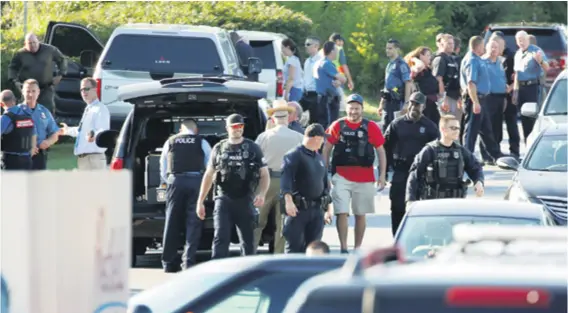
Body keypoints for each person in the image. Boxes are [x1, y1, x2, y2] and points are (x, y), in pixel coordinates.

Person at [196, 114, 270, 259]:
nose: (238, 129)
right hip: (223, 199)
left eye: (240, 126)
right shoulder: (219, 148)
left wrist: (262, 194)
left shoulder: (253, 148)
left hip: (245, 198)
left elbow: (264, 174)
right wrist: (200, 201)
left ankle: (247, 274)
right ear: (227, 128)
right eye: (234, 126)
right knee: (220, 238)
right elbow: (209, 175)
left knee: (248, 241)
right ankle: (218, 271)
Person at [323, 94, 387, 253]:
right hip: (341, 175)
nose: (353, 112)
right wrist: (325, 174)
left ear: (362, 109)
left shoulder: (370, 126)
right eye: (351, 108)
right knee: (341, 212)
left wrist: (382, 175)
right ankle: (343, 247)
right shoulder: (337, 125)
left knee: (360, 214)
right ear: (347, 108)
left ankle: (357, 248)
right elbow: (326, 149)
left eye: (356, 108)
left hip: (365, 177)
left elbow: (381, 151)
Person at [158, 119, 211, 272]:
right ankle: (188, 262)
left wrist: (168, 180)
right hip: (196, 182)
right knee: (193, 222)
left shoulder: (171, 141)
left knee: (172, 220)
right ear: (196, 130)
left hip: (175, 181)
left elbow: (163, 165)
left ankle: (168, 263)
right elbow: (209, 166)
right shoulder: (202, 141)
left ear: (180, 130)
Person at [383, 92, 439, 235]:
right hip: (400, 171)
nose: (415, 107)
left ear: (424, 106)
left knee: (421, 209)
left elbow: (437, 151)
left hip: (421, 173)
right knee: (397, 207)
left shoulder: (430, 127)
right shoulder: (397, 124)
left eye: (418, 104)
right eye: (412, 103)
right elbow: (385, 148)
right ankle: (397, 240)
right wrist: (383, 172)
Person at [254, 101, 304, 254]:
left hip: (266, 182)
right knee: (282, 224)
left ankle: (249, 253)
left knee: (257, 222)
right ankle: (278, 255)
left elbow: (255, 161)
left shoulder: (263, 137)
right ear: (288, 117)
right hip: (288, 183)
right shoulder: (299, 137)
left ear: (273, 119)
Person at [406, 115, 484, 203]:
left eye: (458, 128)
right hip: (433, 203)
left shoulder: (461, 151)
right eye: (453, 128)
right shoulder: (430, 150)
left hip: (456, 203)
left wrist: (479, 182)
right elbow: (414, 176)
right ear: (443, 129)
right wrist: (410, 200)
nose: (457, 131)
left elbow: (476, 167)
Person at [281, 123, 333, 253]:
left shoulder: (318, 157)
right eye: (323, 138)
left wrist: (328, 208)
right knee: (294, 248)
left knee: (314, 248)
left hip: (316, 211)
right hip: (298, 210)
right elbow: (286, 180)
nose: (324, 141)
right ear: (316, 138)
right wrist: (288, 201)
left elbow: (325, 185)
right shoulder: (294, 155)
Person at [460, 36, 502, 162]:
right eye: (483, 45)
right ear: (478, 46)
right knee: (471, 130)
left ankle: (495, 155)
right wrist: (475, 102)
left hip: (482, 99)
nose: (484, 48)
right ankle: (467, 157)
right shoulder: (472, 60)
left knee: (486, 130)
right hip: (475, 99)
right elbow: (471, 83)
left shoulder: (478, 59)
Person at [8, 32, 68, 114]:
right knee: (25, 112)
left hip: (45, 88)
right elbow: (12, 67)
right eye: (30, 43)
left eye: (34, 42)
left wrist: (60, 75)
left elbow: (62, 60)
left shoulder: (50, 50)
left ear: (38, 41)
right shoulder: (20, 54)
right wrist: (15, 81)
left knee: (47, 112)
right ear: (25, 44)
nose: (33, 45)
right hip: (28, 89)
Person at [58, 77, 110, 170]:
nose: (83, 92)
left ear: (95, 89)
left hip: (94, 159)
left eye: (86, 89)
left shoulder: (100, 109)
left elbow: (103, 131)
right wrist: (67, 131)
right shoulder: (89, 108)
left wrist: (94, 136)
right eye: (81, 89)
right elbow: (82, 132)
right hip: (84, 159)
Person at [513, 31, 550, 142]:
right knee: (524, 119)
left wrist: (540, 61)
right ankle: (527, 143)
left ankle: (535, 144)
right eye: (519, 40)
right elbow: (517, 74)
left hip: (532, 88)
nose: (521, 42)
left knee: (533, 118)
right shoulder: (518, 54)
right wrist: (515, 92)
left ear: (528, 40)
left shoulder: (536, 51)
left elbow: (547, 67)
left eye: (523, 39)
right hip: (521, 89)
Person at [17, 79, 59, 170]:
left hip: (39, 157)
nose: (31, 94)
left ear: (38, 92)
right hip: (19, 156)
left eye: (33, 91)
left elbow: (55, 133)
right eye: (28, 91)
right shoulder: (15, 112)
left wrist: (48, 142)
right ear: (22, 92)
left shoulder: (44, 111)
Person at [491, 31, 521, 159]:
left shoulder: (511, 55)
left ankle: (514, 151)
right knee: (495, 124)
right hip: (495, 95)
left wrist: (511, 87)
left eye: (497, 45)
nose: (495, 48)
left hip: (508, 93)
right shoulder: (491, 56)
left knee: (511, 122)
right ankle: (495, 151)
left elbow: (518, 73)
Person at [480, 39, 508, 166]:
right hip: (487, 98)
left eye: (496, 47)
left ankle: (496, 152)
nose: (494, 50)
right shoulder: (482, 62)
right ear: (486, 48)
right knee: (486, 127)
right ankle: (486, 155)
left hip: (500, 97)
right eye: (491, 47)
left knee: (497, 126)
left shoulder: (500, 62)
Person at [377, 39, 412, 130]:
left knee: (395, 128)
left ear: (397, 49)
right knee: (385, 127)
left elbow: (408, 83)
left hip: (397, 101)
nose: (387, 50)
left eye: (390, 48)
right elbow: (387, 85)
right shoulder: (389, 64)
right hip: (387, 101)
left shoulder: (402, 65)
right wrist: (381, 103)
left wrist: (406, 103)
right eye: (387, 48)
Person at [1, 89, 37, 170]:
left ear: (1, 104)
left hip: (10, 160)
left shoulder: (6, 118)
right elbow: (34, 134)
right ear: (14, 100)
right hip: (27, 159)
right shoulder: (28, 115)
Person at [404, 46, 441, 126]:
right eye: (427, 55)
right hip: (422, 102)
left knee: (435, 123)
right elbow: (419, 67)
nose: (430, 57)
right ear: (421, 56)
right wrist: (414, 58)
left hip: (432, 102)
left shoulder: (428, 69)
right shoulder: (416, 67)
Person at [315, 41, 347, 129]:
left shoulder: (321, 62)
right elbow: (343, 78)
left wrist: (339, 82)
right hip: (328, 99)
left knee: (326, 123)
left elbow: (336, 79)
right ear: (332, 51)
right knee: (330, 125)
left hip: (324, 97)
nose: (337, 52)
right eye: (336, 50)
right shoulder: (327, 64)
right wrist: (341, 80)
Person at [432, 34, 462, 125]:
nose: (451, 45)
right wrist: (443, 98)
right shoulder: (440, 59)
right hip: (447, 97)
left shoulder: (452, 59)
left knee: (456, 124)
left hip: (455, 96)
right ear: (441, 44)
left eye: (452, 43)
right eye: (448, 43)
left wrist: (459, 96)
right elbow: (438, 79)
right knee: (448, 124)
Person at [329, 33, 355, 110]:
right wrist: (350, 81)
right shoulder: (339, 49)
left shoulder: (323, 50)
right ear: (337, 41)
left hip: (324, 78)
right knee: (338, 105)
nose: (342, 43)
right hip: (337, 78)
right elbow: (344, 66)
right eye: (341, 41)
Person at [301, 36, 322, 123]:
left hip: (316, 94)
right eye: (305, 44)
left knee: (314, 120)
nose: (306, 46)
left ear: (316, 46)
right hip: (305, 94)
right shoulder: (307, 61)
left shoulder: (321, 61)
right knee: (295, 111)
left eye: (308, 44)